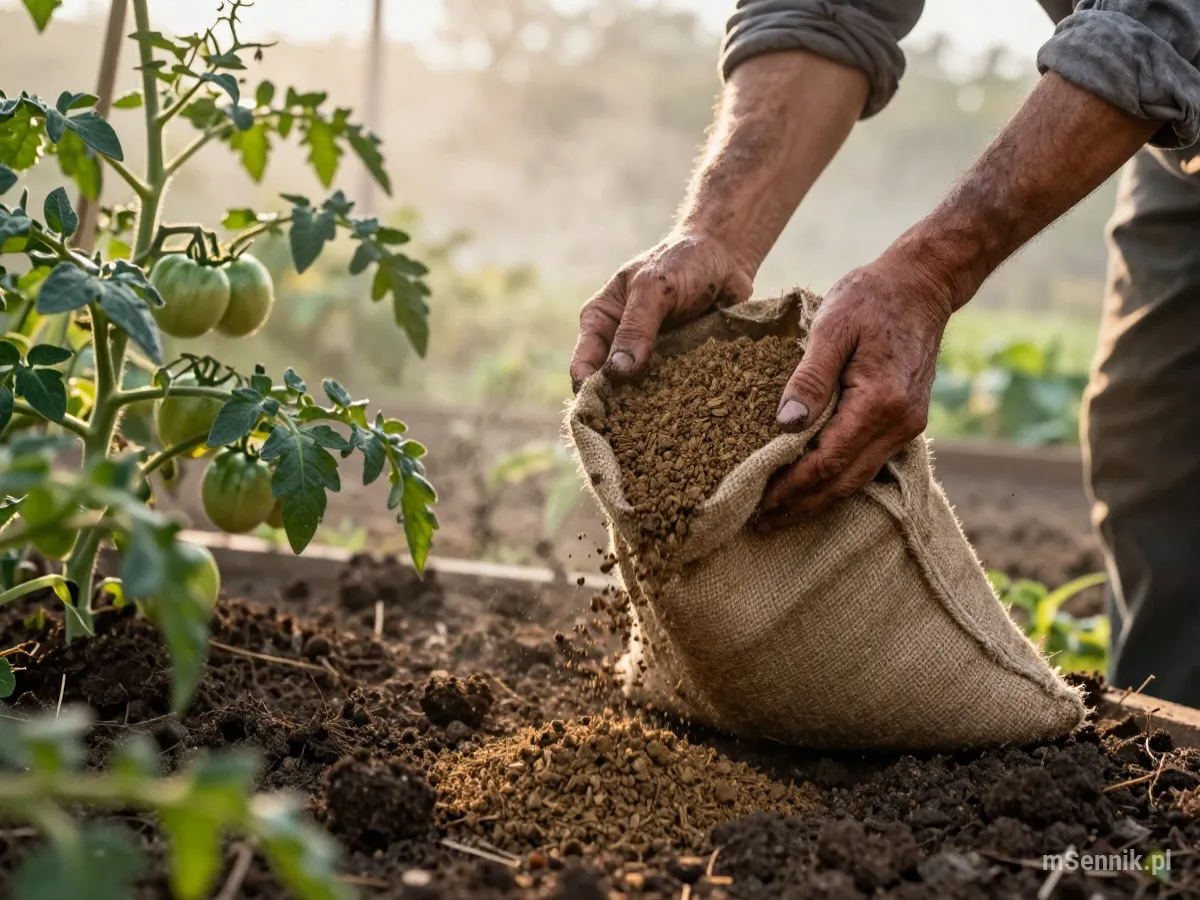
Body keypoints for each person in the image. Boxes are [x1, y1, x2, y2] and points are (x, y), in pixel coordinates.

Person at [569, 1, 1200, 708]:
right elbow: (824, 9)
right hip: (1184, 145)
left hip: (1176, 62)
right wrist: (716, 230)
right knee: (1150, 438)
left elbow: (1155, 20)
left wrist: (931, 271)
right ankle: (1176, 731)